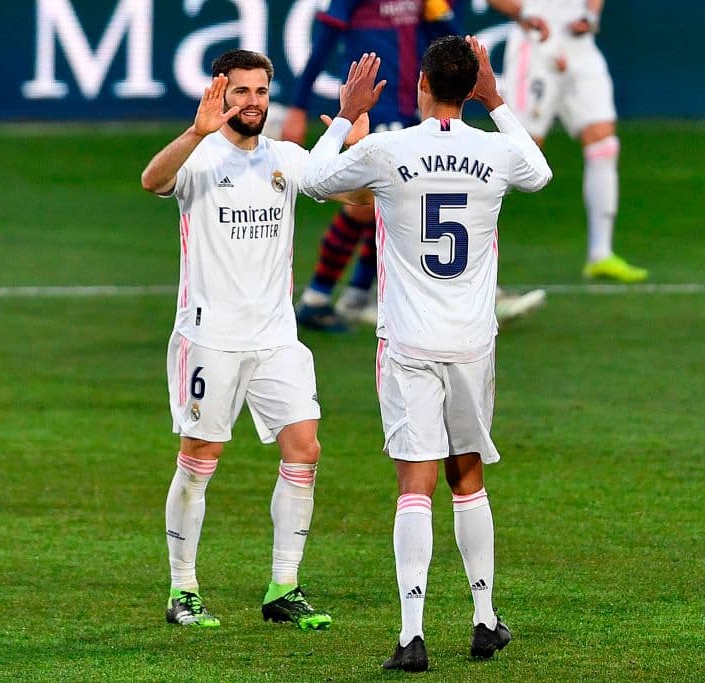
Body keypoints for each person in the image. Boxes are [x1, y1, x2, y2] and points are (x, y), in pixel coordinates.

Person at [301, 38, 552, 671]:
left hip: (408, 341)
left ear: (419, 85)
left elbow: (312, 181)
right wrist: (496, 101)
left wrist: (346, 114)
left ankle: (412, 635)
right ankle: (485, 619)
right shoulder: (496, 153)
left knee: (415, 484)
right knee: (468, 477)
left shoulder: (388, 151)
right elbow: (540, 171)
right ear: (470, 89)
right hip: (471, 341)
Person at [139, 49, 364, 631]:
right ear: (219, 93)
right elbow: (152, 181)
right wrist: (195, 131)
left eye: (261, 91)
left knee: (305, 449)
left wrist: (357, 144)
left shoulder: (285, 158)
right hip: (210, 337)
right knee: (200, 458)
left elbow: (359, 201)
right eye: (240, 91)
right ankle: (182, 589)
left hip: (276, 337)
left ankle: (284, 586)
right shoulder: (198, 156)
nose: (252, 102)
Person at [284, 0, 544, 331]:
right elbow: (322, 43)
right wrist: (298, 107)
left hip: (411, 107)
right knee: (369, 204)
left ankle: (354, 294)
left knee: (396, 198)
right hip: (376, 106)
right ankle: (321, 297)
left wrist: (440, 12)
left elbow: (451, 50)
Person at [490, 0, 648, 282]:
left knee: (604, 143)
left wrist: (590, 15)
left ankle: (600, 255)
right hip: (537, 43)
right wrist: (523, 13)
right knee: (521, 154)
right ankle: (454, 229)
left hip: (579, 46)